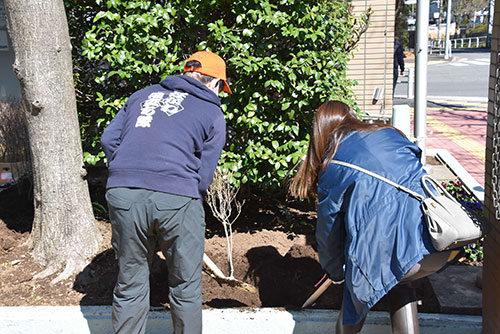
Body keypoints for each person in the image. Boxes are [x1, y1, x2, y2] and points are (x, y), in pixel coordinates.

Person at [290, 101, 460, 333]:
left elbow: (328, 232)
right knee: (399, 278)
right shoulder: (389, 134)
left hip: (400, 252)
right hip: (439, 243)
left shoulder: (333, 164)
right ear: (351, 117)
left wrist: (337, 273)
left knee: (357, 288)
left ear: (320, 131)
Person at [101, 50, 230, 334]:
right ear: (214, 83)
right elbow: (205, 173)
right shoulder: (212, 111)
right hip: (177, 196)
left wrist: (128, 170)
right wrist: (185, 195)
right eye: (222, 87)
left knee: (130, 283)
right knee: (185, 286)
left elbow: (109, 138)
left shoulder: (141, 95)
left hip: (123, 193)